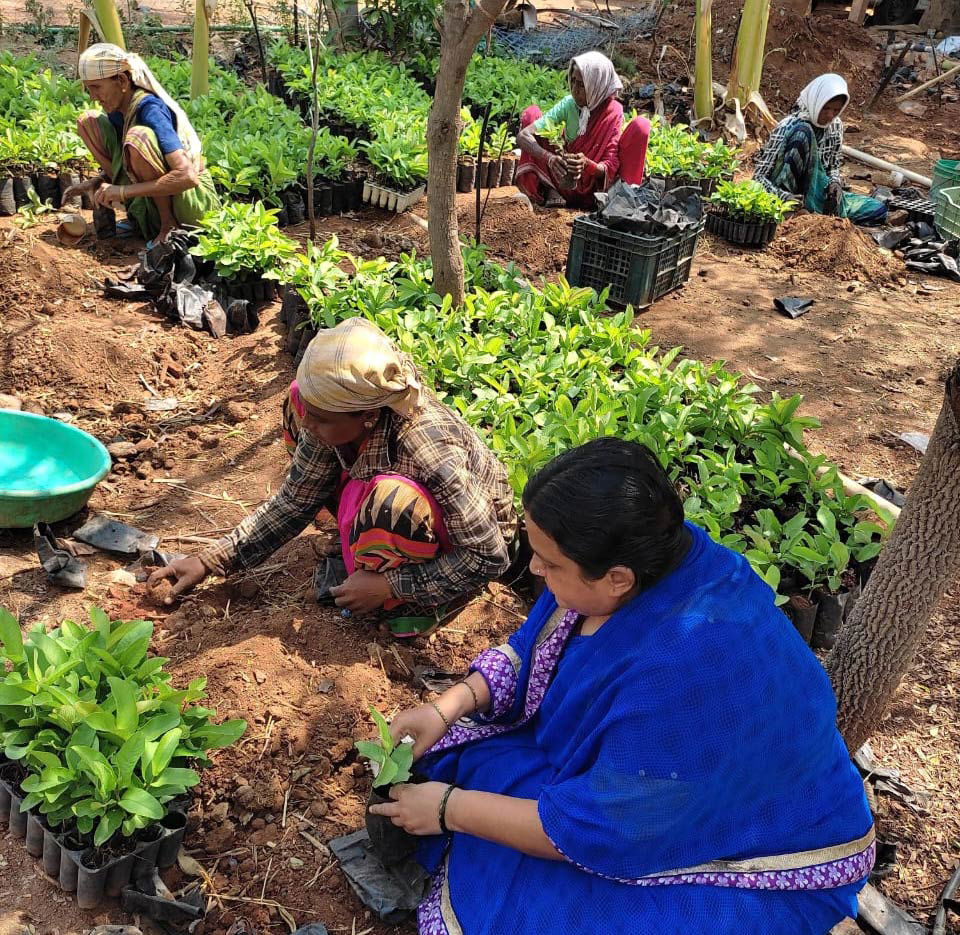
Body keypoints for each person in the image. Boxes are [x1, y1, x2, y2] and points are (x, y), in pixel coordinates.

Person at [370, 438, 875, 934]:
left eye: (550, 563)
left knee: (550, 910)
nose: (534, 570)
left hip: (752, 841)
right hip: (654, 778)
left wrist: (446, 809)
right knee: (479, 770)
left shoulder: (681, 668)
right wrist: (445, 710)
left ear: (617, 579)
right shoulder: (656, 551)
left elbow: (600, 831)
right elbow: (532, 650)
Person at [149, 317, 518, 638]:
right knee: (298, 403)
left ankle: (408, 604)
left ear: (368, 416)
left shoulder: (429, 452)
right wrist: (211, 560)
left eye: (322, 417)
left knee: (391, 503)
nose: (309, 424)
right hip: (394, 488)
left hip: (463, 545)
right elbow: (296, 500)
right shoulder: (343, 414)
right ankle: (367, 545)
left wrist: (389, 584)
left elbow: (488, 556)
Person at [65, 43, 219, 243]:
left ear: (121, 80)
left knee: (139, 137)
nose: (93, 96)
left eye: (96, 87)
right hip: (154, 196)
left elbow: (187, 176)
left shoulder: (150, 109)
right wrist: (97, 181)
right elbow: (130, 163)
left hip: (189, 204)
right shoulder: (119, 111)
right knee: (88, 122)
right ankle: (140, 217)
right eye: (88, 89)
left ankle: (167, 226)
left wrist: (122, 191)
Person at [516, 51, 649, 208]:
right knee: (531, 114)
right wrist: (549, 158)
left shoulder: (612, 112)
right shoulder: (569, 104)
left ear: (596, 86)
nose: (574, 89)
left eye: (581, 84)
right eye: (572, 81)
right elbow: (523, 136)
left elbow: (609, 165)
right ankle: (548, 190)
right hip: (562, 176)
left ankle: (623, 204)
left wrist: (587, 164)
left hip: (592, 188)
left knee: (642, 126)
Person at [754, 73, 886, 225]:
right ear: (816, 101)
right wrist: (784, 197)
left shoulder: (835, 126)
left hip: (816, 193)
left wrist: (834, 184)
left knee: (877, 210)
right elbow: (758, 178)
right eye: (826, 108)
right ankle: (789, 211)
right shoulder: (788, 127)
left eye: (836, 110)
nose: (830, 115)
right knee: (803, 133)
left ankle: (814, 215)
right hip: (783, 196)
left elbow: (833, 167)